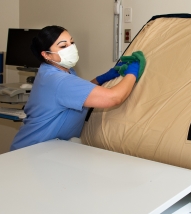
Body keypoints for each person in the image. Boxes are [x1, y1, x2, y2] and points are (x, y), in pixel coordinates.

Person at [10, 25, 140, 151]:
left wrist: (103, 78)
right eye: (63, 46)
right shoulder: (58, 80)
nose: (71, 48)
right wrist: (132, 72)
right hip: (31, 151)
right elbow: (114, 98)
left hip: (49, 149)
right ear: (46, 55)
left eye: (71, 43)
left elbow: (78, 94)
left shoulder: (60, 71)